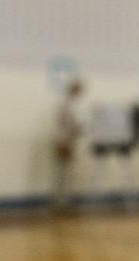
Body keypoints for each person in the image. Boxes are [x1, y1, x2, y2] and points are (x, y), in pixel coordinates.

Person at [53, 79, 84, 208]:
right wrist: (80, 129)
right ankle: (62, 201)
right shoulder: (69, 105)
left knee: (64, 171)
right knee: (64, 172)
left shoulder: (65, 103)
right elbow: (72, 124)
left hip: (64, 140)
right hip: (65, 141)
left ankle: (62, 199)